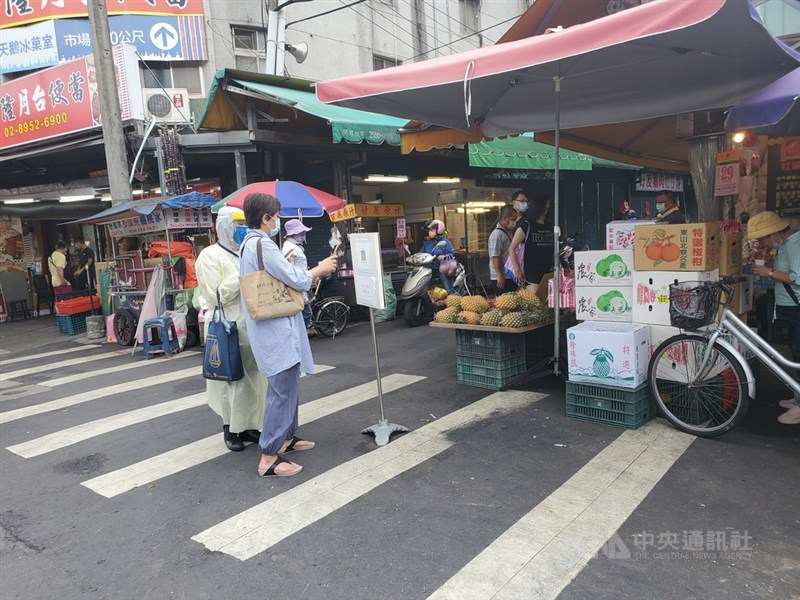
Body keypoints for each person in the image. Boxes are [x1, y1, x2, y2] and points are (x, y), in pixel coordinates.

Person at [240, 193, 337, 477]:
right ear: (265, 218)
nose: (277, 220)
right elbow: (295, 278)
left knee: (288, 385)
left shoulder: (250, 245)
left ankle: (285, 437)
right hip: (275, 331)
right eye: (275, 215)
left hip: (277, 327)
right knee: (282, 391)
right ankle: (269, 455)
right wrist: (318, 270)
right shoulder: (262, 245)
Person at [196, 207, 269, 451]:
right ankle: (230, 428)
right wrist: (242, 274)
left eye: (244, 223)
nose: (242, 229)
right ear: (224, 226)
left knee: (255, 380)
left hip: (252, 326)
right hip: (227, 327)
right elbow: (215, 294)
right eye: (237, 224)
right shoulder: (209, 256)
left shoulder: (245, 253)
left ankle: (250, 426)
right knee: (231, 381)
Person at [748, 211, 800, 425]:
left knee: (799, 354)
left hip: (797, 308)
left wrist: (768, 272)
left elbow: (797, 277)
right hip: (790, 308)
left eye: (762, 238)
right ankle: (798, 396)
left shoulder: (795, 244)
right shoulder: (787, 244)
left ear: (773, 234)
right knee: (795, 352)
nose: (761, 242)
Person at [508, 194, 555, 294]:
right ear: (540, 206)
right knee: (535, 302)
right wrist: (517, 269)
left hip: (547, 271)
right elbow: (511, 248)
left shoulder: (549, 225)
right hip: (531, 273)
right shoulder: (526, 225)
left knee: (546, 303)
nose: (548, 207)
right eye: (546, 205)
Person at [281, 219, 314, 332]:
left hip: (300, 286)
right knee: (306, 314)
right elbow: (289, 270)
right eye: (301, 233)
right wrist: (302, 295)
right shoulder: (290, 247)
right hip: (297, 288)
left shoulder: (293, 246)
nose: (303, 235)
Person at [488, 204, 518, 294]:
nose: (515, 222)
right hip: (502, 276)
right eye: (513, 219)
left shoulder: (508, 232)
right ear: (505, 219)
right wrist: (500, 275)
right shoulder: (497, 234)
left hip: (509, 275)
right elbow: (495, 257)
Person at [420, 219, 455, 294]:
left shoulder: (445, 242)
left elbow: (451, 255)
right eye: (429, 230)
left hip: (441, 269)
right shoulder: (427, 243)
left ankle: (453, 297)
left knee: (448, 290)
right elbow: (421, 254)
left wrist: (444, 256)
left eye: (432, 230)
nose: (429, 232)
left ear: (439, 231)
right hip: (429, 270)